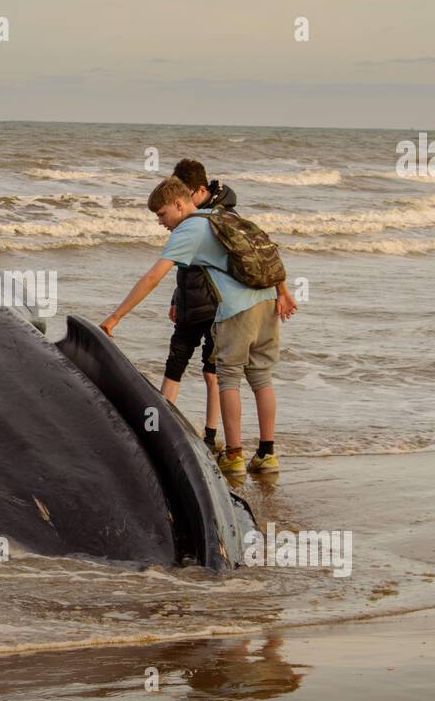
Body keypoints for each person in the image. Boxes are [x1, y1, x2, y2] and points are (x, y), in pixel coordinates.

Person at [100, 175, 296, 476]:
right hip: (267, 300)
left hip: (237, 309)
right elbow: (264, 249)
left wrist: (116, 316)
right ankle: (267, 455)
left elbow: (153, 277)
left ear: (179, 204)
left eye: (162, 214)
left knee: (228, 378)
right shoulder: (219, 215)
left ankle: (233, 457)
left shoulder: (188, 229)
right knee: (261, 378)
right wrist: (283, 292)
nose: (161, 222)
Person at [162, 158, 237, 453]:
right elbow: (182, 260)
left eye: (182, 192)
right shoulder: (189, 216)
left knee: (212, 371)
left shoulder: (224, 217)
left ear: (199, 190)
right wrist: (175, 298)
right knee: (175, 365)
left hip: (219, 306)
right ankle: (160, 428)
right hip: (189, 300)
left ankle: (210, 436)